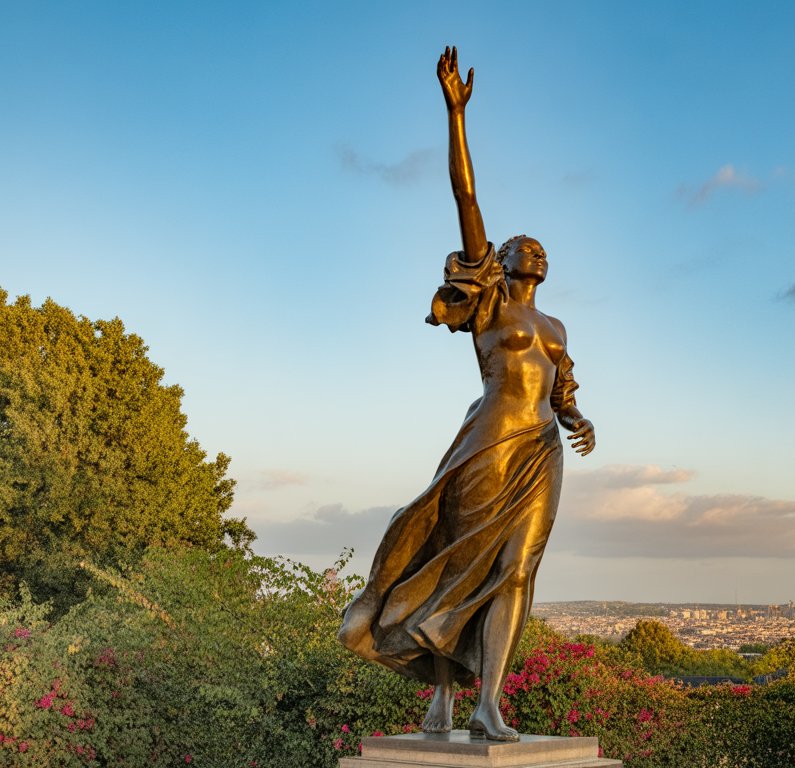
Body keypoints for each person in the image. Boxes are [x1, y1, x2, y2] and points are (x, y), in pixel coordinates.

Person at [337, 46, 596, 742]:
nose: (536, 252)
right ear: (500, 260)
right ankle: (443, 699)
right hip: (489, 445)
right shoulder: (489, 307)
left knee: (519, 569)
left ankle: (487, 705)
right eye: (523, 245)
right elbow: (467, 197)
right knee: (458, 564)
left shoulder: (554, 324)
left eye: (542, 248)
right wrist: (455, 114)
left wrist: (576, 417)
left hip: (541, 450)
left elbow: (560, 384)